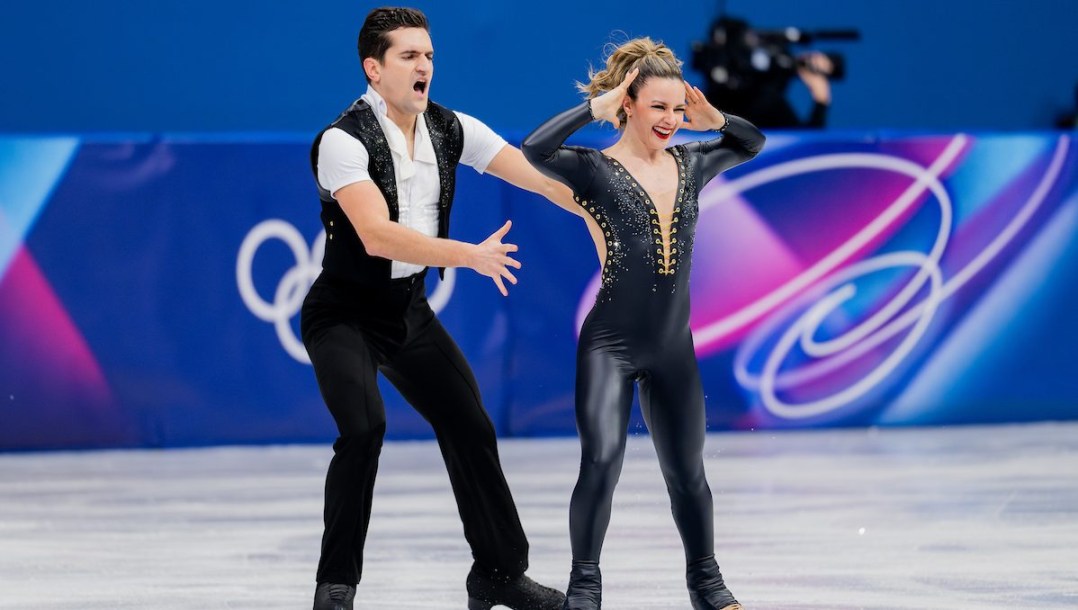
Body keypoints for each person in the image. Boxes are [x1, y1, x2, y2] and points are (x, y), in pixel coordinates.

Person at [302, 7, 575, 610]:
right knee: (364, 427)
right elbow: (377, 236)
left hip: (407, 312)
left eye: (428, 55)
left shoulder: (451, 129)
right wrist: (468, 255)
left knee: (469, 424)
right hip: (343, 313)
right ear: (374, 69)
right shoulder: (342, 140)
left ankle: (499, 574)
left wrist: (597, 215)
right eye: (408, 56)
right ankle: (336, 587)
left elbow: (533, 175)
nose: (424, 66)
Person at [522, 38, 765, 609]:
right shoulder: (594, 170)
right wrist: (592, 108)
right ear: (628, 104)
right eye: (659, 107)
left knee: (688, 476)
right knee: (602, 462)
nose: (672, 120)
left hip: (672, 350)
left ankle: (707, 586)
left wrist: (715, 118)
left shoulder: (693, 161)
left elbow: (751, 143)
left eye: (678, 109)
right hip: (609, 344)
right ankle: (585, 589)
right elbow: (535, 147)